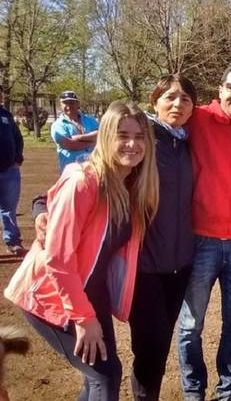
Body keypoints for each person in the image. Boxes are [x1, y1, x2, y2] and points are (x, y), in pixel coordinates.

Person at [4, 101, 159, 401]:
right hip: (51, 294)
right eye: (122, 135)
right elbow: (58, 260)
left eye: (140, 136)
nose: (132, 144)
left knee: (96, 376)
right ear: (105, 137)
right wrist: (83, 318)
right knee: (105, 375)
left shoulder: (131, 185)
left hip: (90, 292)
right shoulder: (83, 182)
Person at [177, 64, 231, 401]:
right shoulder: (196, 118)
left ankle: (228, 390)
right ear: (220, 88)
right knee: (190, 325)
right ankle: (193, 389)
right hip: (201, 241)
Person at [129, 75, 197, 400]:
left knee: (161, 343)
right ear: (155, 101)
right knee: (150, 344)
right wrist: (43, 205)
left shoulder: (188, 142)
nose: (177, 104)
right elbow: (96, 172)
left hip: (180, 265)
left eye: (185, 99)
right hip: (144, 265)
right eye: (170, 97)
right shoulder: (142, 141)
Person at [0, 86, 25, 256]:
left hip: (10, 170)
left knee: (9, 209)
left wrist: (17, 159)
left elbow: (17, 138)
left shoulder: (6, 115)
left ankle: (13, 240)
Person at [50, 91, 99, 173]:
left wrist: (78, 138)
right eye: (65, 103)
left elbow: (102, 134)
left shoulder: (91, 120)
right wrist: (93, 142)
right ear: (61, 105)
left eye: (72, 103)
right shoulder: (58, 125)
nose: (69, 106)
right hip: (71, 173)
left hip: (93, 170)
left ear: (78, 104)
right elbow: (68, 144)